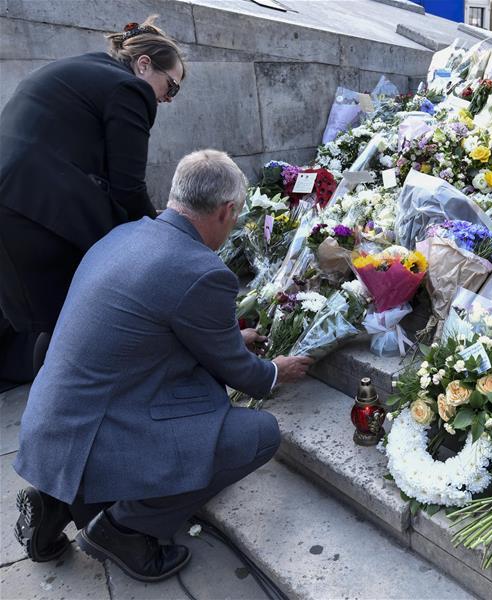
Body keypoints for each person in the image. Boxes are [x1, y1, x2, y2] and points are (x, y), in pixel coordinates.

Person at [12, 150, 314, 582]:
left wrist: (230, 339)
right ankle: (124, 530)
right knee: (258, 434)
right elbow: (245, 376)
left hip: (55, 428)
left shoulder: (123, 235)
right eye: (236, 215)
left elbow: (150, 330)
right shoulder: (200, 269)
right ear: (226, 211)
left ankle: (55, 503)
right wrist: (276, 371)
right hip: (96, 435)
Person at [0, 16, 186, 388]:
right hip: (37, 210)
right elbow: (128, 187)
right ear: (144, 64)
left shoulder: (87, 70)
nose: (168, 99)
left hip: (16, 200)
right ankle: (62, 402)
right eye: (171, 86)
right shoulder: (130, 89)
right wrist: (162, 238)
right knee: (69, 319)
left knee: (30, 314)